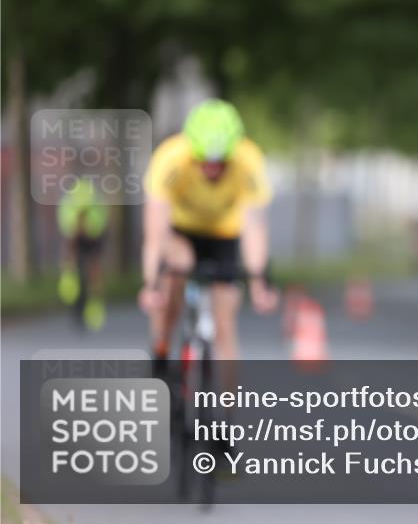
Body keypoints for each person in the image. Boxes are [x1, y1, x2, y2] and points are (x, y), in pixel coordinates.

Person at [139, 98, 278, 375]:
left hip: (223, 234)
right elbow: (155, 233)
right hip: (180, 231)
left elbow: (254, 228)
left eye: (220, 163)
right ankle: (161, 352)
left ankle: (227, 412)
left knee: (225, 318)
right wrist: (152, 284)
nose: (212, 170)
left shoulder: (248, 161)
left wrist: (259, 282)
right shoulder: (170, 159)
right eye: (205, 163)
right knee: (175, 276)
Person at [57, 178, 109, 331]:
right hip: (76, 238)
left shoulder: (92, 202)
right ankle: (69, 278)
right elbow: (66, 224)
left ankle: (94, 301)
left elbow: (100, 222)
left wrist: (90, 229)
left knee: (93, 268)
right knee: (71, 257)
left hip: (93, 237)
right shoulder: (72, 203)